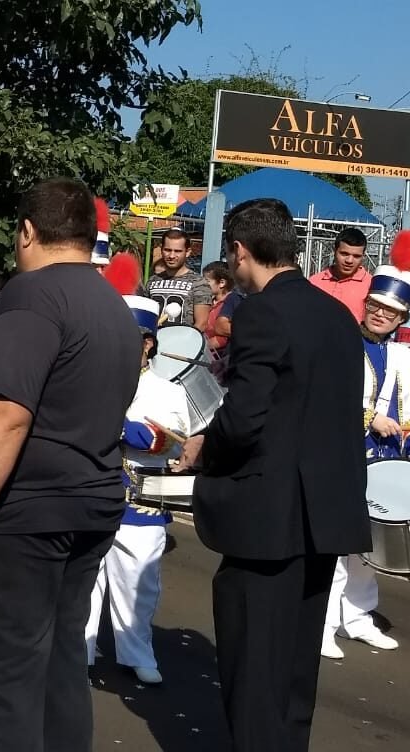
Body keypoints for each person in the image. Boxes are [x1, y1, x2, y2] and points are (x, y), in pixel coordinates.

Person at [0, 177, 140, 752]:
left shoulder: (30, 297)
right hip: (86, 505)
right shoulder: (114, 307)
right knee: (58, 669)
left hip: (20, 519)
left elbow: (8, 415)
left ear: (26, 231)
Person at [174, 197, 369, 752]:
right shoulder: (335, 312)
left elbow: (246, 415)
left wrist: (204, 449)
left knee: (254, 675)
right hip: (323, 517)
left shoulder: (260, 311)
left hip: (267, 520)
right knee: (294, 675)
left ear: (240, 251)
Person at [85, 280, 189, 686]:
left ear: (149, 343)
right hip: (92, 491)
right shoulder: (89, 379)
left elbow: (168, 440)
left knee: (138, 581)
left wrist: (119, 426)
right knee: (84, 578)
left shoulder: (168, 390)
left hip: (143, 499)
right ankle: (81, 647)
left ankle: (136, 651)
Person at [318, 262, 410, 660]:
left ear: (401, 317)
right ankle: (322, 626)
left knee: (369, 551)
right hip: (346, 455)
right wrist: (370, 418)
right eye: (374, 305)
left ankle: (357, 618)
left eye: (389, 311)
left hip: (386, 459)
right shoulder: (344, 343)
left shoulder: (401, 355)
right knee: (338, 546)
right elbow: (327, 398)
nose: (379, 314)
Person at [146, 229, 212, 328]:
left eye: (177, 251)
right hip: (155, 341)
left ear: (188, 252)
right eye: (167, 250)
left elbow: (201, 323)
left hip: (183, 341)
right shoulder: (152, 281)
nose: (172, 256)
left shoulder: (199, 283)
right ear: (161, 250)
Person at [309, 227, 371, 321]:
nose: (349, 260)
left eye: (356, 256)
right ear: (334, 252)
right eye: (344, 254)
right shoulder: (314, 282)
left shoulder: (371, 285)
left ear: (363, 256)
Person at [202, 260, 242, 381]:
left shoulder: (233, 300)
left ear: (222, 283)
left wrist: (202, 347)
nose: (203, 284)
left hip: (220, 360)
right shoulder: (208, 302)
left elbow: (225, 335)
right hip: (206, 356)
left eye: (207, 281)